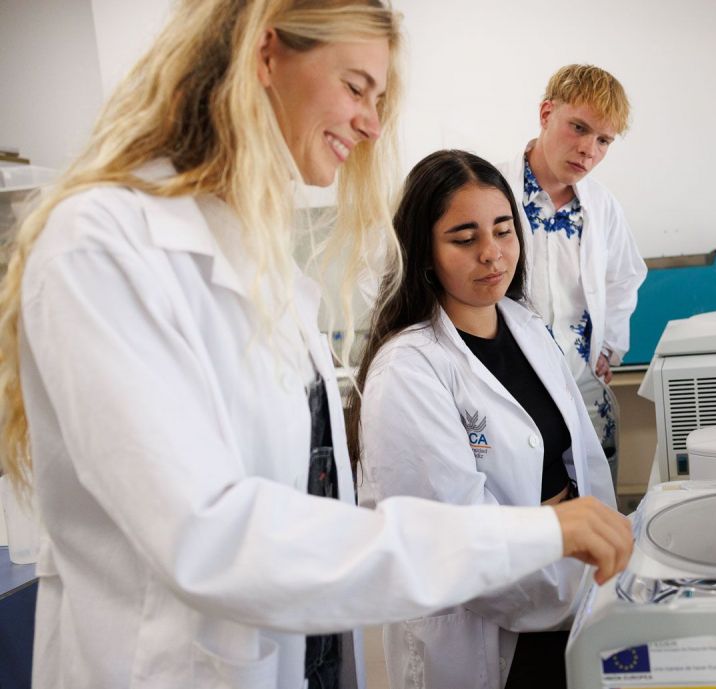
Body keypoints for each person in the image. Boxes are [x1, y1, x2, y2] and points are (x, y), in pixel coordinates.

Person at [0, 2, 631, 688]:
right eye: (356, 87)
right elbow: (213, 539)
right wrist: (535, 533)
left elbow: (315, 504)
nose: (372, 122)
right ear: (264, 56)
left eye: (379, 97)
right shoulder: (102, 245)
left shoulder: (258, 260)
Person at [346, 149, 617, 689]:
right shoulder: (410, 368)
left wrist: (592, 553)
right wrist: (558, 537)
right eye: (465, 239)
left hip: (569, 599)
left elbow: (582, 467)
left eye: (503, 230)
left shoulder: (527, 327)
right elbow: (452, 536)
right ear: (425, 251)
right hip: (485, 635)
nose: (492, 254)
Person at [499, 65, 647, 493]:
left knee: (597, 508)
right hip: (511, 384)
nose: (588, 149)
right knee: (529, 510)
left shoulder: (601, 206)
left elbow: (625, 276)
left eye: (603, 140)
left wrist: (611, 345)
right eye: (578, 128)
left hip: (581, 381)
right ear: (546, 114)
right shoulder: (490, 188)